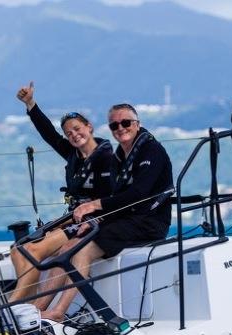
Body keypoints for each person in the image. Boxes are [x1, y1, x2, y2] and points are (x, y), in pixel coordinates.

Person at [40, 103, 173, 322]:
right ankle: (39, 307)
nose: (120, 128)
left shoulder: (152, 150)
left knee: (81, 252)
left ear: (138, 124)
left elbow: (138, 194)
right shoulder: (121, 153)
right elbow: (116, 198)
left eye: (126, 123)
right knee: (67, 247)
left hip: (149, 223)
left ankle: (58, 312)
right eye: (114, 125)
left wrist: (94, 206)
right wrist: (96, 220)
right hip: (125, 220)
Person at [9, 81, 115, 305]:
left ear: (89, 127)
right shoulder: (72, 154)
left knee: (33, 252)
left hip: (91, 221)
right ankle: (25, 302)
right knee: (18, 250)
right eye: (69, 133)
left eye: (77, 129)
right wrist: (30, 104)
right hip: (71, 217)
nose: (74, 135)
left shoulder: (107, 158)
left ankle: (19, 304)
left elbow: (112, 199)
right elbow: (48, 134)